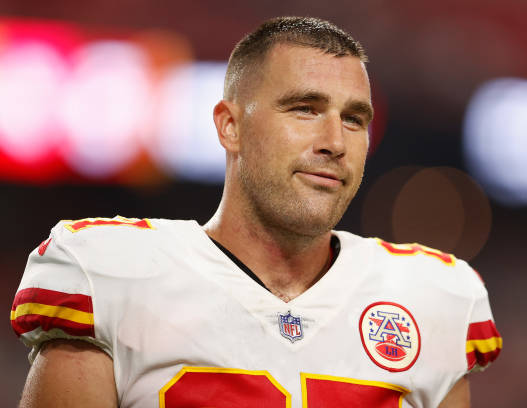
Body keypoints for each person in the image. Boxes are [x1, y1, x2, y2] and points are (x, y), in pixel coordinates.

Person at [10, 16, 501, 408]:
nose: (335, 142)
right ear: (230, 126)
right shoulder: (108, 273)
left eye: (354, 119)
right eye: (304, 109)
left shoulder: (434, 297)